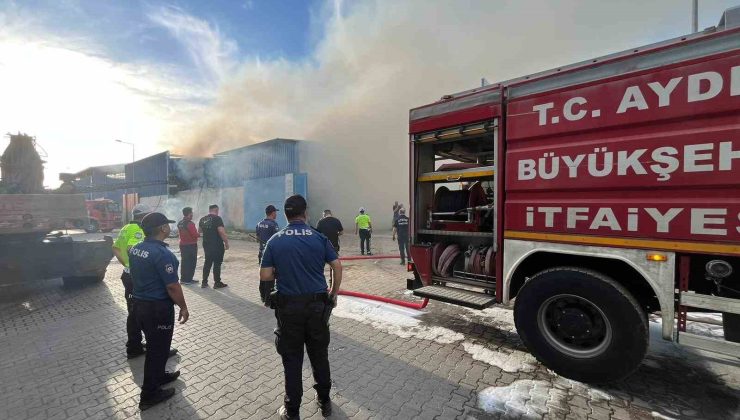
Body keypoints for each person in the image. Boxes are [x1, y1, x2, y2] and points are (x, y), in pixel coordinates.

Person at [260, 195, 342, 420]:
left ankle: (292, 410)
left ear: (285, 215)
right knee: (319, 355)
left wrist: (278, 276)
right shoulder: (318, 237)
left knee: (292, 360)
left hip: (288, 310)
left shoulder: (275, 240)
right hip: (317, 307)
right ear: (305, 213)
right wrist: (333, 294)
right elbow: (337, 266)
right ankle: (324, 401)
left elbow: (265, 275)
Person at [129, 212, 190, 410]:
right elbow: (172, 286)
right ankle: (149, 394)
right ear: (163, 229)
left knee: (158, 346)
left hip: (139, 306)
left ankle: (160, 376)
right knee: (157, 350)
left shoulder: (136, 249)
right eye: (167, 225)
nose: (169, 227)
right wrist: (183, 306)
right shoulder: (163, 254)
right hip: (157, 309)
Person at [112, 203, 150, 358]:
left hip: (128, 275)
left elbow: (115, 248)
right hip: (137, 277)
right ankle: (145, 346)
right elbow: (131, 249)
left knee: (133, 311)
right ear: (143, 217)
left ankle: (134, 344)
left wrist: (125, 265)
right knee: (142, 312)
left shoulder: (125, 228)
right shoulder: (137, 230)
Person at [198, 204, 229, 289]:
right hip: (217, 245)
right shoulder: (217, 219)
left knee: (207, 262)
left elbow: (199, 231)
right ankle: (217, 283)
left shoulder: (202, 219)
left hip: (206, 245)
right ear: (216, 210)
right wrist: (226, 243)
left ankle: (204, 282)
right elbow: (221, 232)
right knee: (217, 264)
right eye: (217, 210)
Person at [256, 204, 280, 304]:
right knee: (270, 276)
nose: (276, 214)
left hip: (261, 252)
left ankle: (262, 295)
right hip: (271, 254)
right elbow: (277, 240)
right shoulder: (274, 225)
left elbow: (258, 238)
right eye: (275, 212)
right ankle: (268, 298)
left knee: (263, 275)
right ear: (273, 213)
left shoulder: (259, 224)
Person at [177, 207, 200, 284]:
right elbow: (195, 234)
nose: (192, 214)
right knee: (191, 262)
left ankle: (183, 279)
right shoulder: (190, 224)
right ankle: (188, 279)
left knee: (184, 262)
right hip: (191, 245)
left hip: (182, 245)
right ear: (189, 214)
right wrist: (199, 233)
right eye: (191, 213)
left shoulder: (180, 223)